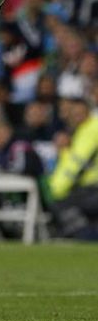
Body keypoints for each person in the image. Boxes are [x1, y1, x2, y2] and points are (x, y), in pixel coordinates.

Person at [49, 89, 98, 239]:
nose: (77, 117)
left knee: (62, 204)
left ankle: (87, 236)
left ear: (88, 112)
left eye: (80, 113)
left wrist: (58, 188)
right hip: (88, 187)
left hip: (92, 187)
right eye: (74, 114)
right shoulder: (80, 132)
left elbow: (78, 165)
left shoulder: (92, 130)